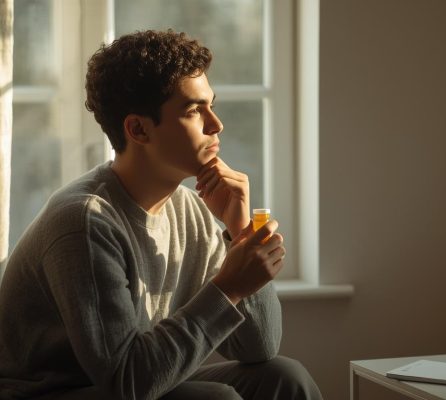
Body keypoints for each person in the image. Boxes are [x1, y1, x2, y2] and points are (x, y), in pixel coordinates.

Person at [0, 30, 322, 400]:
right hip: (53, 392)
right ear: (138, 129)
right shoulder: (85, 221)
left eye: (211, 106)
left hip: (133, 380)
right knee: (218, 399)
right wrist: (229, 286)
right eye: (193, 111)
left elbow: (259, 348)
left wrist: (239, 233)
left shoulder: (190, 211)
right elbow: (126, 382)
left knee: (284, 376)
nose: (215, 125)